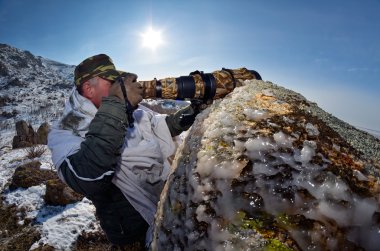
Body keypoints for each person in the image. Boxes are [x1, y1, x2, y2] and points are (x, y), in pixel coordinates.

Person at [47, 54, 196, 248]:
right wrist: (116, 105)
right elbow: (84, 176)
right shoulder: (66, 129)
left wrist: (189, 114)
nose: (120, 85)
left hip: (166, 203)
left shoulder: (133, 110)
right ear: (88, 88)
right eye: (112, 81)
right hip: (131, 233)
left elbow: (158, 126)